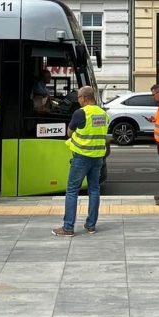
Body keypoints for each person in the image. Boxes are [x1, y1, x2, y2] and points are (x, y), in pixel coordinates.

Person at [52, 86, 108, 236]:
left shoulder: (80, 113)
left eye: (78, 98)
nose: (78, 100)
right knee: (94, 190)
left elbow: (69, 132)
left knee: (72, 191)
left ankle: (68, 227)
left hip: (82, 157)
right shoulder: (103, 114)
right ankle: (91, 225)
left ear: (83, 98)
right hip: (98, 157)